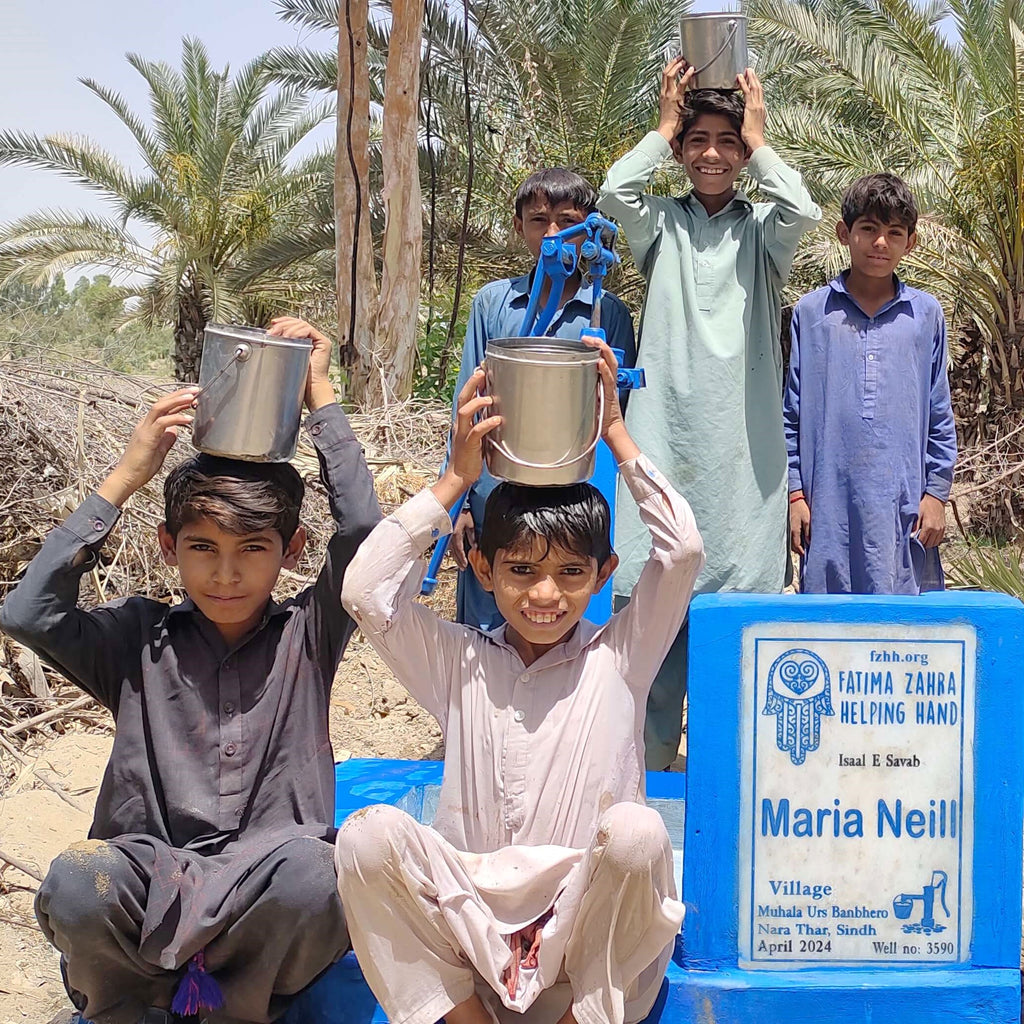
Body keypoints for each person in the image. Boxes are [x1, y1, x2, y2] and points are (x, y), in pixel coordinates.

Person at [0, 318, 381, 1024]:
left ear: (292, 548)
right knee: (81, 883)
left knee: (324, 877)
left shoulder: (312, 631)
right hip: (151, 878)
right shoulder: (135, 639)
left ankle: (238, 1007)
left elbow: (364, 534)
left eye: (253, 548)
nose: (227, 573)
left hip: (263, 891)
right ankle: (133, 1005)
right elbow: (28, 613)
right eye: (202, 547)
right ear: (168, 546)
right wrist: (128, 474)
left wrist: (320, 392)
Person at [337, 338, 704, 1024]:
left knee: (636, 835)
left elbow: (681, 549)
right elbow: (364, 591)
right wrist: (454, 478)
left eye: (571, 574)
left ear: (603, 574)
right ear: (482, 570)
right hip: (472, 932)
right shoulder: (458, 661)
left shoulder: (620, 656)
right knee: (364, 837)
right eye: (521, 571)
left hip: (583, 943)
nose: (546, 595)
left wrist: (616, 434)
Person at [598, 61, 821, 770]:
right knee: (655, 665)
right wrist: (661, 126)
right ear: (681, 149)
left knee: (734, 669)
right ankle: (650, 816)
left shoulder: (763, 233)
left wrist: (762, 140)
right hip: (663, 440)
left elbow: (805, 211)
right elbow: (613, 191)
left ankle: (728, 809)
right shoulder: (660, 225)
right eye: (699, 139)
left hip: (741, 461)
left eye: (728, 140)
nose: (714, 153)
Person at [449, 167, 637, 631]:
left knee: (556, 621)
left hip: (573, 502)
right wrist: (460, 505)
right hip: (495, 494)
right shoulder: (493, 304)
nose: (552, 233)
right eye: (538, 221)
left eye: (566, 220)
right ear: (519, 227)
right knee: (485, 628)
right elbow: (467, 407)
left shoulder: (606, 313)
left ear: (589, 226)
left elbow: (615, 415)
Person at [784, 173, 957, 593]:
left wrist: (936, 493)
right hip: (828, 506)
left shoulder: (925, 315)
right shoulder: (811, 313)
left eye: (894, 233)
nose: (880, 243)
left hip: (902, 502)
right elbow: (791, 413)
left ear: (910, 242)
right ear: (845, 233)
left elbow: (939, 411)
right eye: (868, 229)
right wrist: (794, 495)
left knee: (898, 629)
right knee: (831, 628)